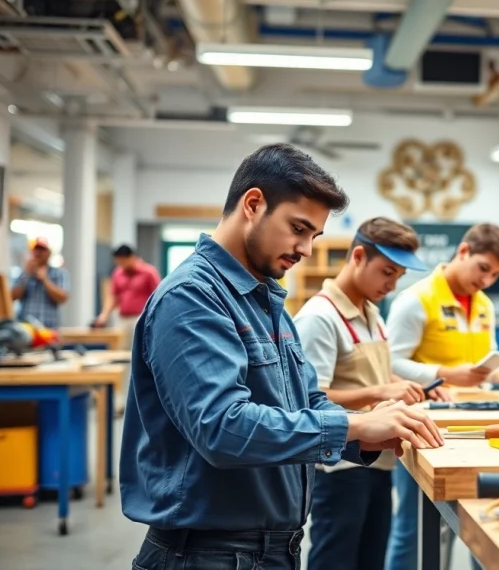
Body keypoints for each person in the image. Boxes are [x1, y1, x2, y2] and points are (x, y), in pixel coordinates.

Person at [120, 143, 444, 570]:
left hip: (270, 550)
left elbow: (307, 400)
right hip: (206, 555)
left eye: (314, 235)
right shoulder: (192, 297)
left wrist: (364, 435)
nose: (307, 248)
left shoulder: (265, 299)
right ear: (253, 204)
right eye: (298, 228)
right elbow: (221, 426)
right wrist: (353, 422)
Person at [294, 216, 451, 570]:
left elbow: (374, 369)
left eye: (398, 276)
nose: (392, 285)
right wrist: (381, 389)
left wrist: (414, 387)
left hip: (376, 459)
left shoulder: (372, 314)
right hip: (338, 465)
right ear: (359, 256)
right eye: (387, 272)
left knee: (370, 558)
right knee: (336, 558)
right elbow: (308, 400)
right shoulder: (320, 317)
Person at [384, 222, 499, 570]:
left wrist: (496, 372)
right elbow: (390, 363)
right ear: (463, 252)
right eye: (483, 269)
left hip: (476, 426)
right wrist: (444, 374)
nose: (487, 281)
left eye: (494, 275)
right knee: (412, 528)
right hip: (423, 426)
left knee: (483, 522)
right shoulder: (415, 299)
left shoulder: (483, 306)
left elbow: (483, 358)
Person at [93, 244, 161, 347]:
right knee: (120, 348)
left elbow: (157, 296)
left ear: (132, 257)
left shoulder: (149, 272)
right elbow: (113, 297)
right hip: (122, 318)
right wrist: (104, 315)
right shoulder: (118, 273)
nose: (121, 264)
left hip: (140, 317)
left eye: (123, 261)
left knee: (139, 348)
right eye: (118, 262)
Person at [11, 237, 69, 329]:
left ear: (48, 253)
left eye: (42, 250)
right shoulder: (24, 273)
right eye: (37, 249)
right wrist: (26, 275)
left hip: (49, 327)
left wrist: (45, 280)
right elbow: (12, 296)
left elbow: (63, 298)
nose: (39, 253)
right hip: (27, 328)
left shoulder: (58, 274)